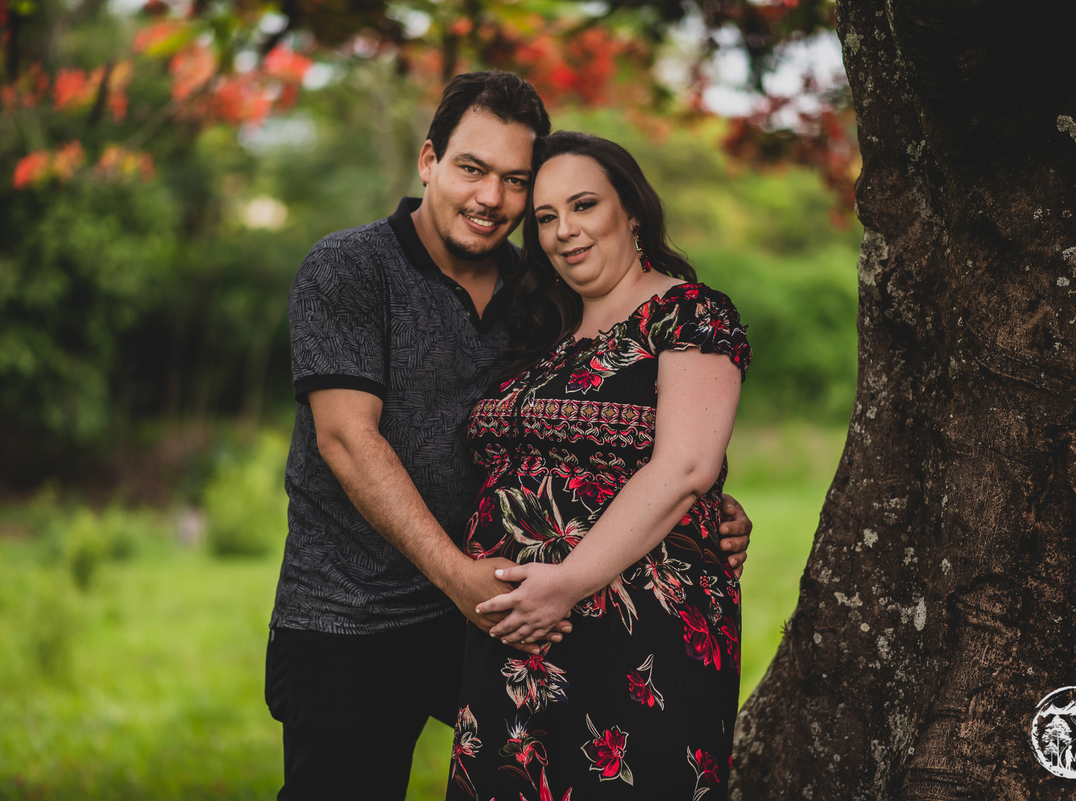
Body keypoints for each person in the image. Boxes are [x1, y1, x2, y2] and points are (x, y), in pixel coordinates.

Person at [264, 72, 753, 800]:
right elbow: (345, 440)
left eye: (516, 181)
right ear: (429, 161)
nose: (491, 197)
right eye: (472, 168)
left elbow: (626, 426)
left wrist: (705, 509)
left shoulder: (541, 290)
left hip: (510, 617)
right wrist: (458, 576)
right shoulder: (351, 268)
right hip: (358, 612)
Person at [446, 131, 751, 801]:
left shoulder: (689, 315)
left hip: (633, 633)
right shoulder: (545, 333)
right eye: (545, 217)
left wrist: (565, 583)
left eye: (583, 205)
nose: (564, 231)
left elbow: (686, 467)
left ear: (632, 210)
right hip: (520, 637)